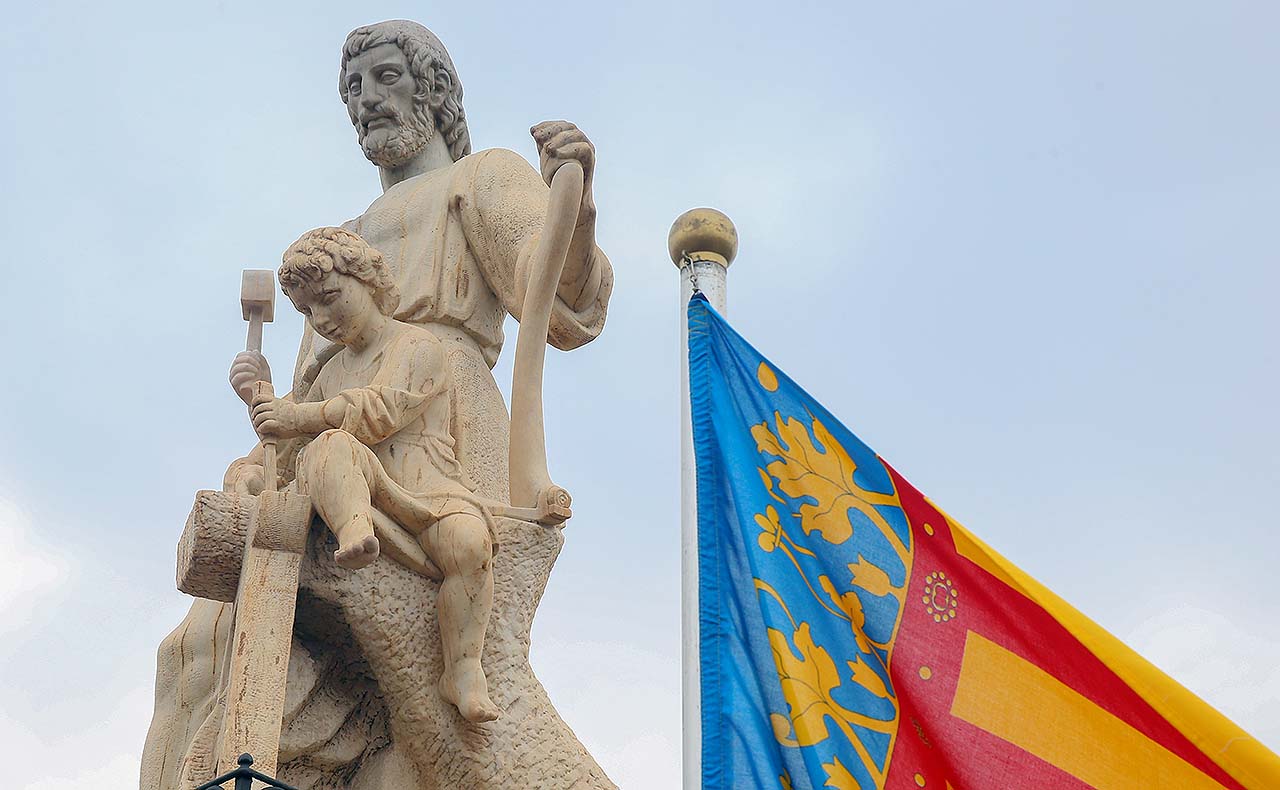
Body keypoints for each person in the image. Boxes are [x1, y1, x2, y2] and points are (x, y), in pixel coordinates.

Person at [241, 226, 501, 723]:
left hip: (425, 485)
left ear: (369, 280)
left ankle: (463, 668)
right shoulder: (329, 372)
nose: (321, 319)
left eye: (330, 298)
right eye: (307, 311)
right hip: (355, 482)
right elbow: (292, 446)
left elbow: (379, 411)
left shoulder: (417, 345)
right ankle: (354, 528)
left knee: (469, 545)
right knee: (330, 448)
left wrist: (299, 415)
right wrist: (260, 405)